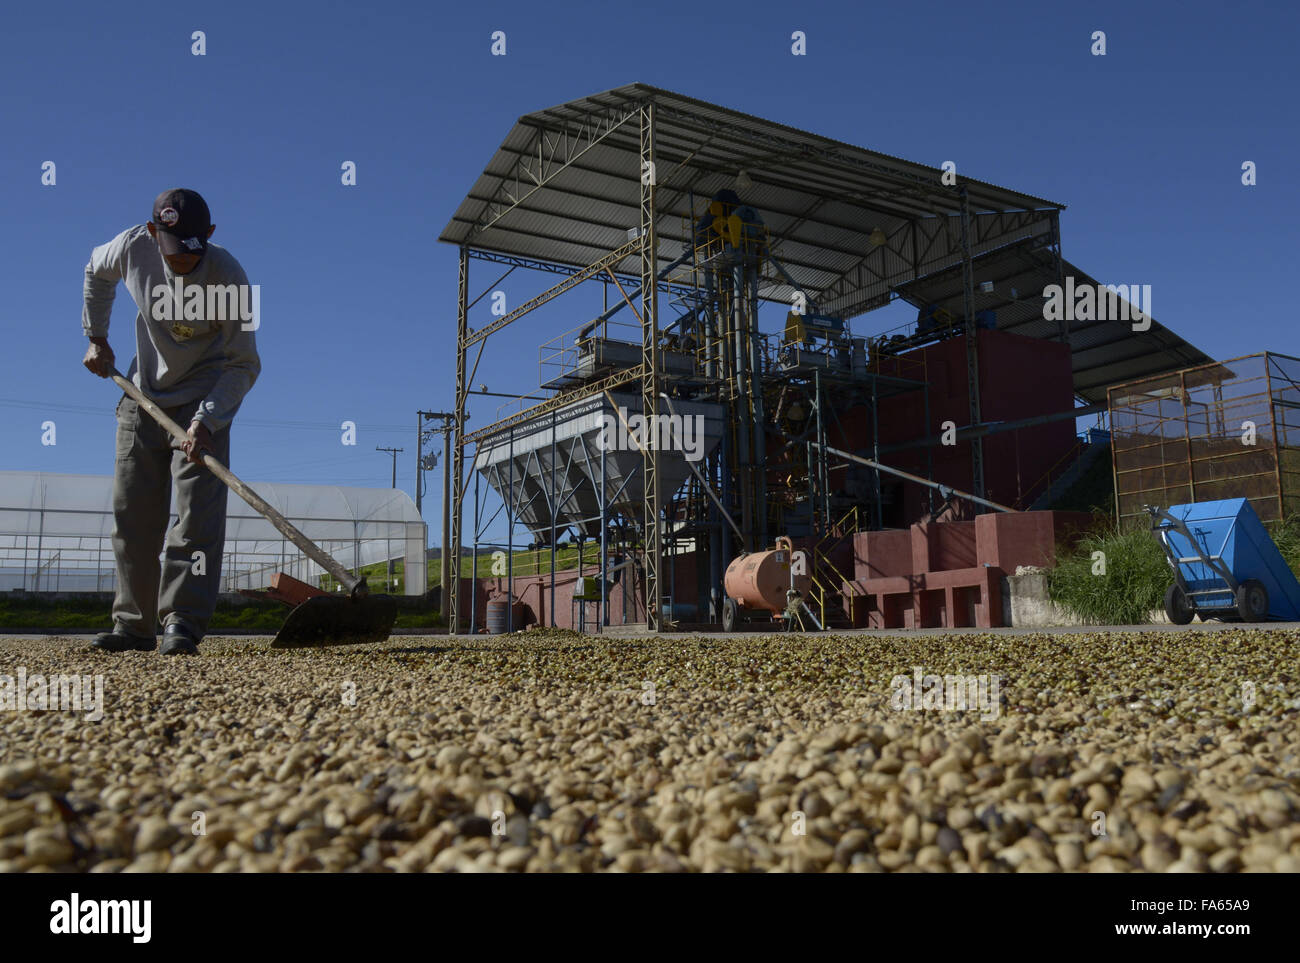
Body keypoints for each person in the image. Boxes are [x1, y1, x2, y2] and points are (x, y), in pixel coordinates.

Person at [81, 189, 260, 655]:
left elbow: (243, 364)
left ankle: (182, 621)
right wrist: (96, 337)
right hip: (142, 396)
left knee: (196, 521)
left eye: (193, 251)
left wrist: (209, 418)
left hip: (204, 400)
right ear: (153, 233)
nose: (183, 263)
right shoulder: (131, 247)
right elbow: (95, 273)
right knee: (133, 516)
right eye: (174, 251)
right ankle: (133, 626)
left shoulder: (230, 277)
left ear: (210, 237)